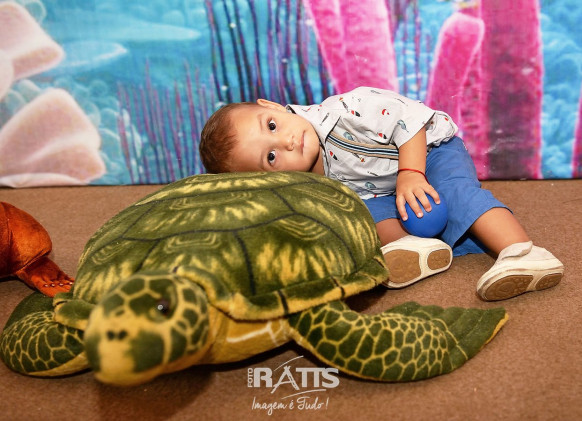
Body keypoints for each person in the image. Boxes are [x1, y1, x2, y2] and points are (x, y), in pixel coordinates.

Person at [199, 86, 564, 301]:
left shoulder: (346, 110)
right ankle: (413, 248)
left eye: (272, 126)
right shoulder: (304, 186)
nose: (287, 141)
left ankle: (522, 252)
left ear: (272, 106)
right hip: (384, 188)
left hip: (430, 152)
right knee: (365, 215)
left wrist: (411, 173)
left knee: (455, 194)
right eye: (271, 157)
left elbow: (412, 119)